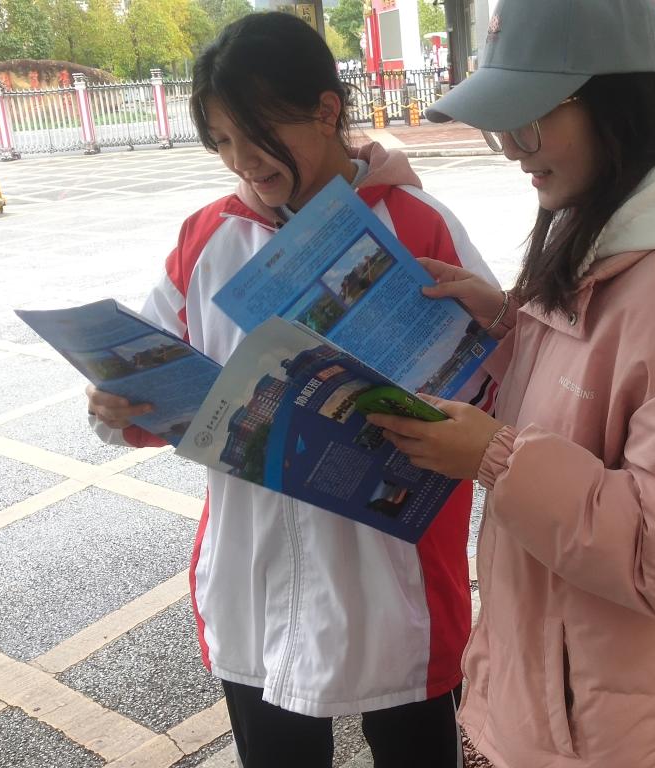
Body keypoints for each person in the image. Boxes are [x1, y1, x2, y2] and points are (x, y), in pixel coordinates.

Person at [366, 0, 655, 765]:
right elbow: (607, 395)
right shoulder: (615, 232)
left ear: (614, 101)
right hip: (601, 715)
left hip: (645, 739)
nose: (513, 150)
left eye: (530, 120)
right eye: (500, 127)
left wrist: (495, 457)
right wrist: (507, 326)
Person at [85, 12, 495, 768]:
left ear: (326, 110)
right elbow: (158, 371)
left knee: (414, 748)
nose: (242, 161)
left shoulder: (419, 226)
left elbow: (497, 392)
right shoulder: (206, 238)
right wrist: (118, 402)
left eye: (257, 133)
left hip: (392, 576)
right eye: (221, 141)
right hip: (255, 572)